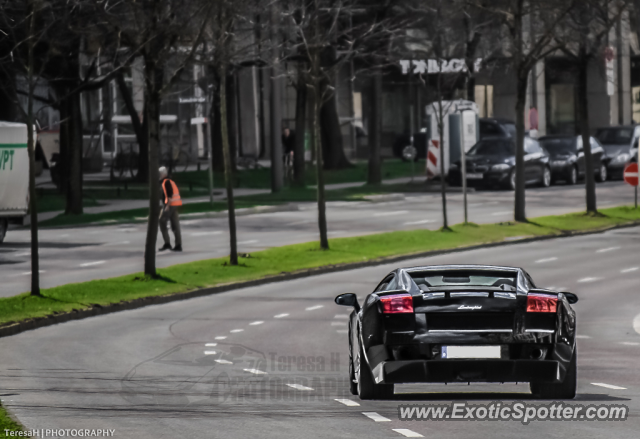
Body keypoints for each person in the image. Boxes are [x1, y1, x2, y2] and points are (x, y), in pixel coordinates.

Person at [158, 166, 183, 252]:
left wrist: (167, 206)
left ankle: (167, 243)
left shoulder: (165, 182)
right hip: (175, 204)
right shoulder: (171, 181)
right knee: (175, 224)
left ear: (162, 174)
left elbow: (170, 194)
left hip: (170, 205)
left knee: (161, 221)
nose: (159, 175)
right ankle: (178, 245)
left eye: (159, 174)